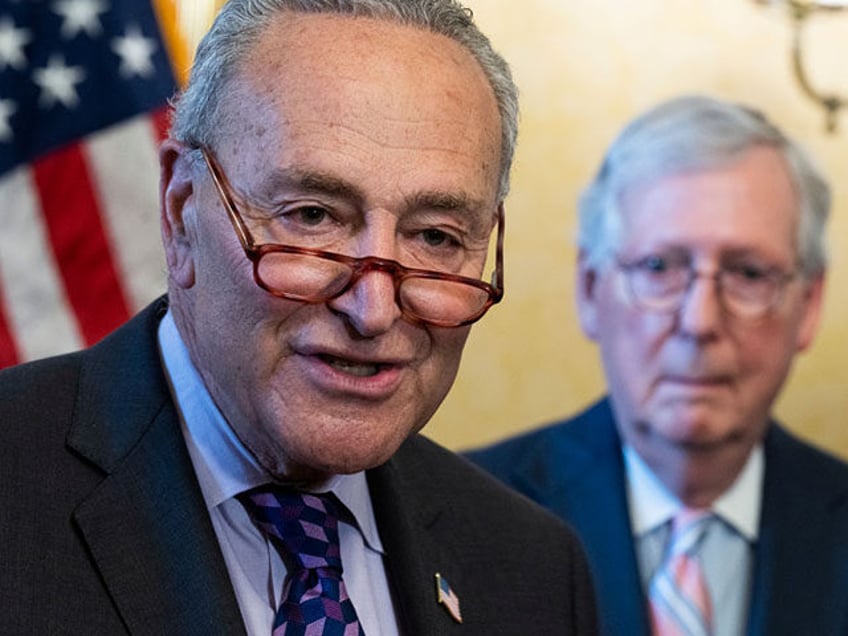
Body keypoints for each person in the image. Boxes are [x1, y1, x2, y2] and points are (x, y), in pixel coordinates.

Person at [0, 1, 600, 634]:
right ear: (181, 211)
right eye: (313, 216)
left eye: (436, 237)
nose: (373, 311)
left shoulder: (532, 567)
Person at [466, 95, 848, 635]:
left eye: (748, 274)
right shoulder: (464, 517)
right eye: (658, 266)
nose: (699, 321)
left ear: (807, 306)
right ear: (591, 289)